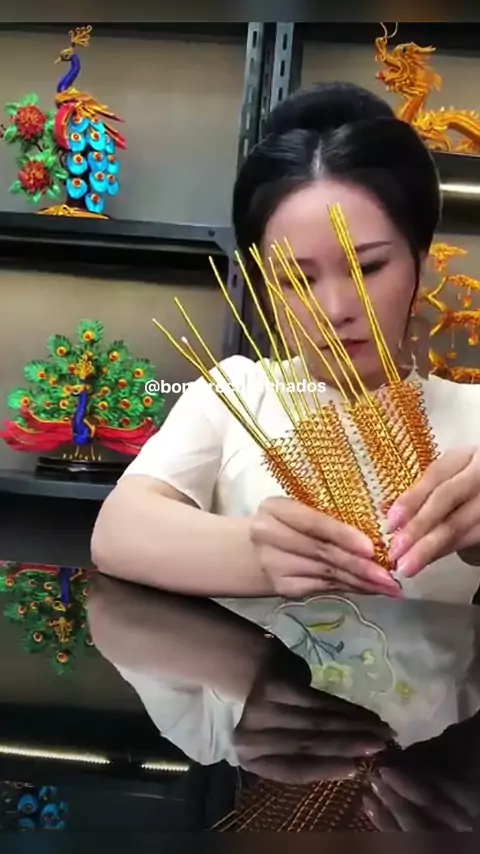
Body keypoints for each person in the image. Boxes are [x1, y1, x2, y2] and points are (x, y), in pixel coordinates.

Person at [91, 81, 480, 605]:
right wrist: (259, 554)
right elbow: (117, 530)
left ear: (421, 265)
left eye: (368, 267)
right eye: (297, 279)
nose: (335, 309)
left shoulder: (473, 418)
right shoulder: (236, 394)